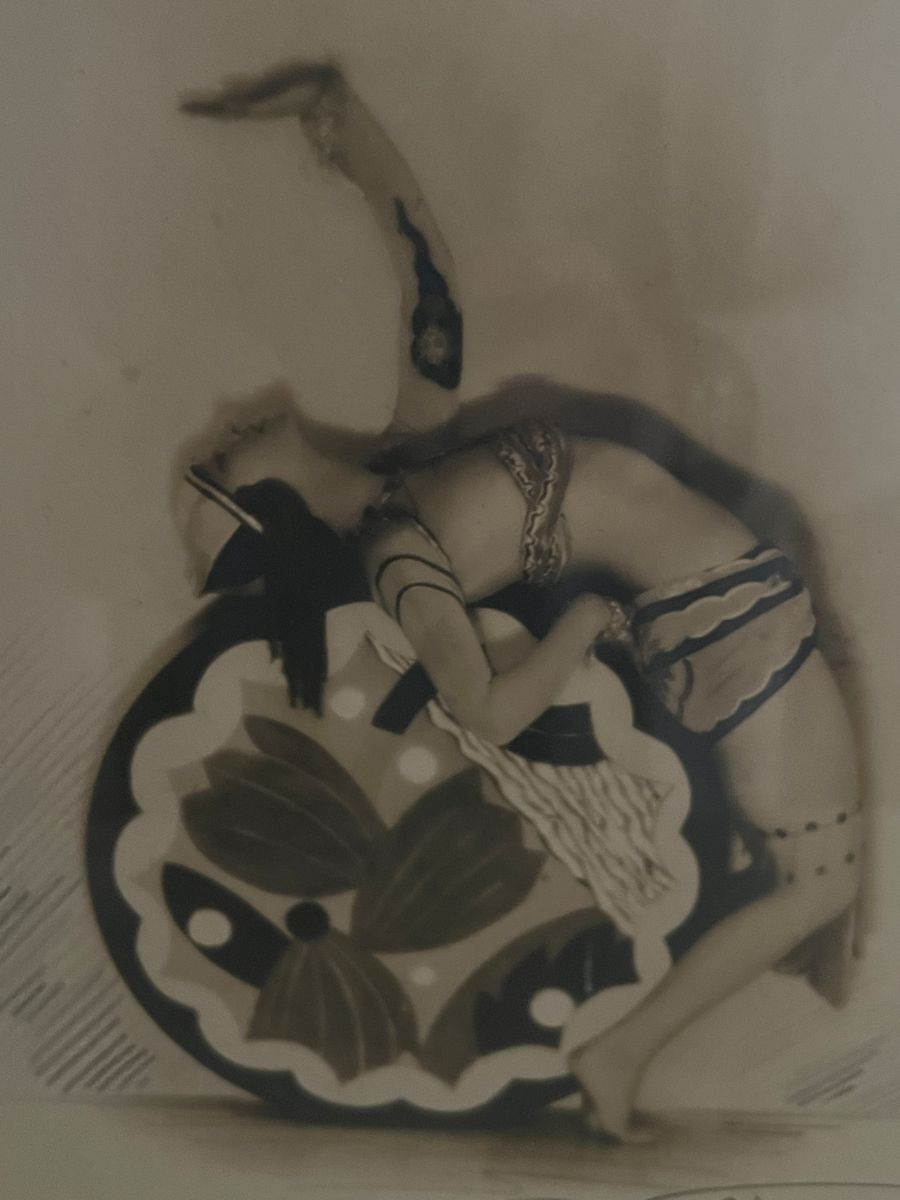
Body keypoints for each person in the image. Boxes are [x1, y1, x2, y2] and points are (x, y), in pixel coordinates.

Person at [177, 62, 863, 1142]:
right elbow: (487, 712)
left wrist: (335, 118)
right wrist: (586, 626)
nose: (224, 418)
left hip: (732, 601)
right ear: (264, 508)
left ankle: (650, 1047)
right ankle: (618, 1055)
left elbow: (429, 280)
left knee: (820, 878)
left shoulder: (404, 463)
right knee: (824, 879)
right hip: (726, 617)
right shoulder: (401, 560)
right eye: (225, 457)